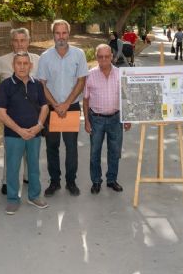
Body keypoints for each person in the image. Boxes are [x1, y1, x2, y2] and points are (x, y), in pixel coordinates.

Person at [36, 19, 88, 196]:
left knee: (71, 146)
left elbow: (82, 81)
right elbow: (41, 83)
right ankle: (55, 182)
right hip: (52, 109)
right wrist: (55, 105)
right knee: (52, 146)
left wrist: (66, 104)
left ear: (69, 33)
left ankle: (71, 182)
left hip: (71, 108)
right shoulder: (45, 57)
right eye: (57, 33)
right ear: (53, 35)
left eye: (64, 32)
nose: (61, 36)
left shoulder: (79, 54)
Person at [0, 52, 49, 214]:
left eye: (26, 63)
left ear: (31, 66)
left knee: (34, 167)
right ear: (13, 65)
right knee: (12, 168)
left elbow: (45, 107)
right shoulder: (5, 85)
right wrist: (19, 130)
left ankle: (34, 196)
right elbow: (2, 114)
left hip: (34, 134)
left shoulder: (37, 85)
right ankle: (12, 199)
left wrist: (39, 126)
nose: (22, 66)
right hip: (13, 136)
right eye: (19, 63)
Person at [0, 28, 41, 195]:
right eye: (16, 40)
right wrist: (1, 98)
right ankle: (7, 181)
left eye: (23, 40)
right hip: (11, 115)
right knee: (11, 152)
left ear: (28, 41)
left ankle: (27, 176)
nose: (19, 44)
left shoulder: (38, 60)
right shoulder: (1, 61)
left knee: (31, 149)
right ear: (11, 42)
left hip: (32, 112)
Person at [83, 44, 131, 194]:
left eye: (106, 56)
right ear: (96, 58)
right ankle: (96, 181)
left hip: (116, 119)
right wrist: (86, 120)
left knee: (115, 152)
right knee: (94, 152)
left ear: (112, 56)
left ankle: (112, 180)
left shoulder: (120, 74)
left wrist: (127, 117)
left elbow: (126, 96)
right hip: (96, 119)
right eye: (100, 56)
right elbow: (85, 100)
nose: (103, 59)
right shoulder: (90, 75)